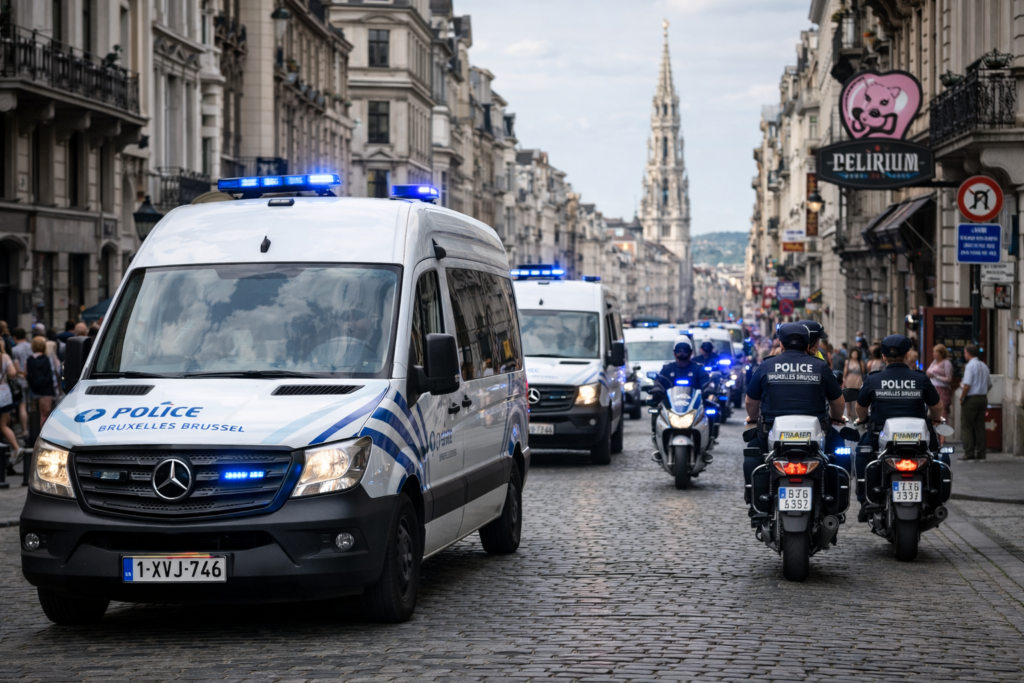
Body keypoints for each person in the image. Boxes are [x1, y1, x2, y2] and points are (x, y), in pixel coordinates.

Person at [743, 323, 844, 523]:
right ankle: (835, 504)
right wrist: (836, 419)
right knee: (840, 454)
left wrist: (753, 419)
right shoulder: (820, 366)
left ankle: (758, 505)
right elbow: (838, 402)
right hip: (814, 436)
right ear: (808, 344)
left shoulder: (766, 365)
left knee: (753, 456)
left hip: (772, 432)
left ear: (781, 343)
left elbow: (750, 401)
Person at [854, 334, 943, 521]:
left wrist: (862, 419)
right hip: (918, 438)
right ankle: (937, 499)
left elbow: (860, 408)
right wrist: (934, 420)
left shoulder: (873, 379)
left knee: (862, 455)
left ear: (884, 357)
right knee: (939, 457)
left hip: (880, 434)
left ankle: (865, 501)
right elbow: (936, 408)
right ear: (907, 354)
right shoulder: (920, 378)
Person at [959, 344, 992, 461]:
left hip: (971, 399)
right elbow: (990, 385)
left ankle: (969, 453)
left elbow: (967, 384)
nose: (964, 355)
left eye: (965, 353)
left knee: (967, 426)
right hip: (983, 398)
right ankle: (981, 453)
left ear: (969, 353)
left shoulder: (970, 366)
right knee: (980, 427)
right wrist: (982, 392)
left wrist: (962, 397)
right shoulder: (984, 365)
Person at [26, 336, 58, 426]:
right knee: (45, 415)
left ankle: (34, 434)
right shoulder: (48, 359)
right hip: (47, 391)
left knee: (34, 414)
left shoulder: (29, 360)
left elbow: (27, 374)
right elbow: (52, 373)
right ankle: (42, 435)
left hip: (34, 390)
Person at [926, 344, 954, 443]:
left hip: (942, 390)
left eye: (935, 352)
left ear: (941, 353)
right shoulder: (934, 362)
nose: (933, 354)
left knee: (942, 413)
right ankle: (935, 437)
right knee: (933, 413)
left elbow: (948, 379)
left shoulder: (946, 363)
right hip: (933, 389)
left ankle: (942, 438)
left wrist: (935, 376)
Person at [10, 327, 31, 439]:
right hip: (32, 380)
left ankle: (24, 430)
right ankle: (34, 428)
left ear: (14, 337)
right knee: (32, 406)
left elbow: (15, 368)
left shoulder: (14, 350)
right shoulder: (31, 346)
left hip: (20, 380)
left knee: (22, 406)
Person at [0, 345, 20, 459]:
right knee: (3, 425)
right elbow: (13, 373)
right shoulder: (5, 357)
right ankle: (16, 447)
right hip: (5, 394)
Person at [842, 348, 866, 420]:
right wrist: (844, 378)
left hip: (858, 379)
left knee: (857, 395)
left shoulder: (860, 362)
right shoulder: (847, 361)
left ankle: (856, 412)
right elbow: (845, 370)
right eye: (854, 353)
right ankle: (849, 413)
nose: (855, 355)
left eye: (856, 354)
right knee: (848, 395)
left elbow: (863, 371)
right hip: (850, 379)